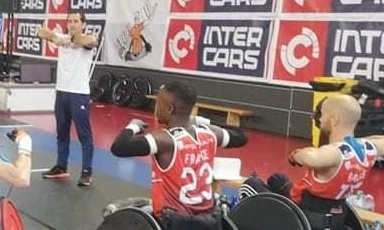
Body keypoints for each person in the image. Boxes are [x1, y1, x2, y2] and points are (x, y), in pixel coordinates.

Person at [110, 82, 247, 217]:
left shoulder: (165, 140)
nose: (155, 108)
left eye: (158, 103)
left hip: (172, 220)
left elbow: (119, 147)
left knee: (117, 215)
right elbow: (241, 137)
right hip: (207, 217)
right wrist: (200, 121)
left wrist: (133, 126)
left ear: (170, 109)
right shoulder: (210, 133)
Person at [286, 95, 384, 205]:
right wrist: (357, 143)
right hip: (338, 207)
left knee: (276, 180)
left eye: (323, 115)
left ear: (334, 120)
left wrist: (297, 156)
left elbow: (313, 158)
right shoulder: (365, 149)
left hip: (304, 208)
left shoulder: (334, 152)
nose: (320, 119)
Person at [37, 11, 98, 187]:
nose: (72, 24)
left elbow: (90, 41)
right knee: (62, 133)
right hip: (61, 92)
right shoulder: (61, 37)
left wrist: (69, 40)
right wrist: (56, 37)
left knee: (84, 135)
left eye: (76, 21)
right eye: (69, 21)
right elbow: (41, 32)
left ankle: (87, 171)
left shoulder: (86, 40)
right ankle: (61, 166)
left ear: (83, 24)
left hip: (79, 94)